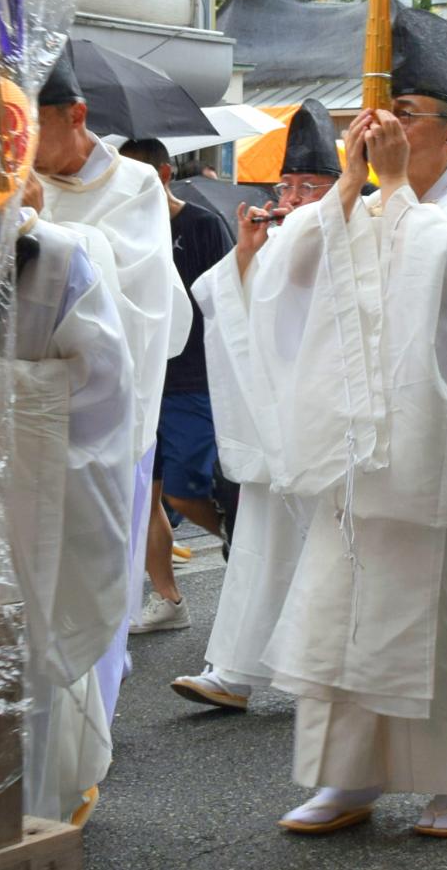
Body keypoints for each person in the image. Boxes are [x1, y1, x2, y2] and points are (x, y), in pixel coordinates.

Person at [245, 8, 447, 837]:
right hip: (355, 455)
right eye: (379, 114)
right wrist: (346, 187)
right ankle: (346, 778)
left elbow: (443, 282)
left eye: (405, 115)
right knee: (342, 618)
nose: (385, 131)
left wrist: (396, 190)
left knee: (439, 628)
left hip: (435, 452)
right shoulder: (364, 205)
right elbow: (289, 273)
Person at [34, 47, 190, 723]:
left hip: (107, 418)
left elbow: (140, 304)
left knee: (97, 574)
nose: (22, 144)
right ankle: (40, 723)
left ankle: (88, 730)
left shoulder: (135, 185)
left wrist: (40, 229)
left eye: (34, 126)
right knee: (34, 580)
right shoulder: (17, 177)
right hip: (29, 405)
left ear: (77, 116)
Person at [171, 100, 339, 711]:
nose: (293, 197)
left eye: (309, 186)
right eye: (287, 184)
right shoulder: (270, 239)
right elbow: (213, 298)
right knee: (259, 546)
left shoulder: (355, 235)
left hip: (331, 421)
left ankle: (321, 671)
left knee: (329, 553)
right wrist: (245, 254)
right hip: (273, 422)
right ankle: (234, 670)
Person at [6, 202, 137, 824]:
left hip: (32, 487)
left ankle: (27, 816)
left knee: (28, 642)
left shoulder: (53, 257)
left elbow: (104, 382)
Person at [116, 139, 235, 635]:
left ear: (164, 174)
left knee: (186, 493)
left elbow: (229, 296)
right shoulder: (122, 232)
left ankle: (246, 542)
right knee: (145, 498)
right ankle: (168, 599)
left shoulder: (202, 226)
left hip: (194, 380)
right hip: (144, 381)